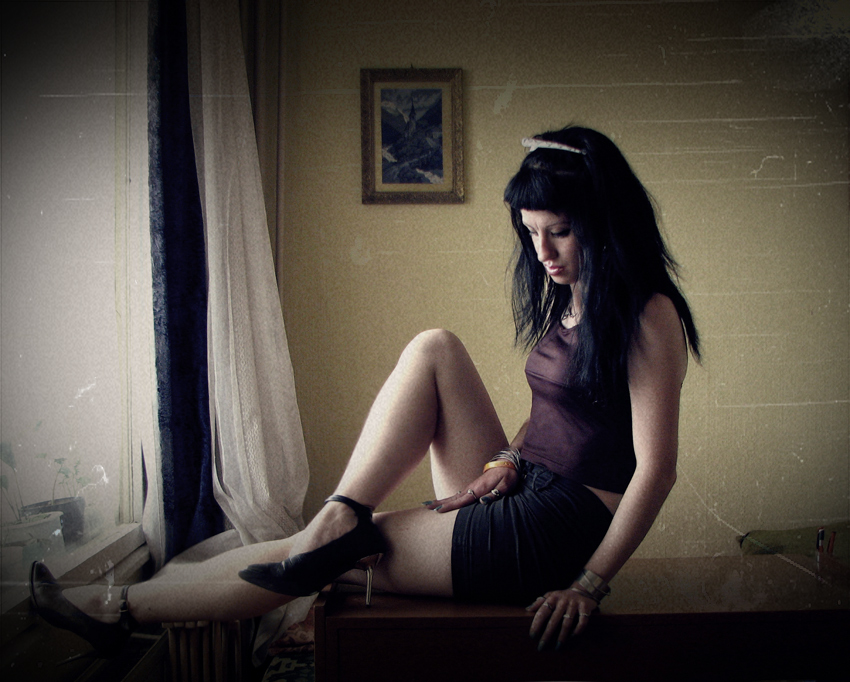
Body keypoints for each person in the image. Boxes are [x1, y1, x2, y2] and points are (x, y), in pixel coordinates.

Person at [30, 125, 699, 657]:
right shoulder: (576, 298)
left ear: (603, 222)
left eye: (560, 232)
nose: (543, 252)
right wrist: (503, 461)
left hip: (557, 528)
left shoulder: (648, 313)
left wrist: (589, 583)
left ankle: (116, 609)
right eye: (531, 233)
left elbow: (656, 469)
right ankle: (342, 512)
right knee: (436, 347)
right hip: (522, 485)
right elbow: (553, 416)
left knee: (318, 557)